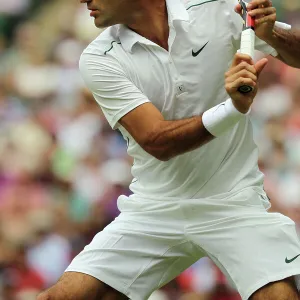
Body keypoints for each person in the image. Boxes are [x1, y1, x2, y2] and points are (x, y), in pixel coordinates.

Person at [38, 0, 300, 299]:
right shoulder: (99, 58)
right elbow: (157, 141)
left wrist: (272, 35)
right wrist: (232, 109)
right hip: (154, 209)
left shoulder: (219, 8)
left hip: (233, 202)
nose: (83, 0)